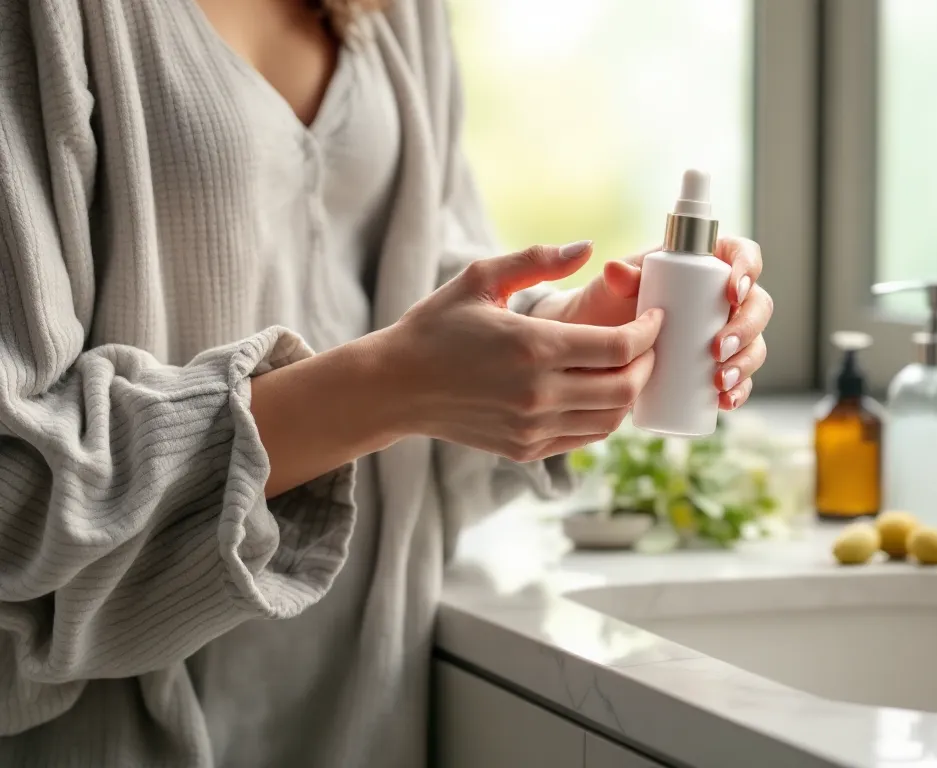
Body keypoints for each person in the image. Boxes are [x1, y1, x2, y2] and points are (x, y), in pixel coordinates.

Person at [0, 0, 773, 765]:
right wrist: (395, 385)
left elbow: (420, 303)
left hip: (365, 710)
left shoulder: (394, 10)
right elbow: (15, 490)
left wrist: (576, 334)